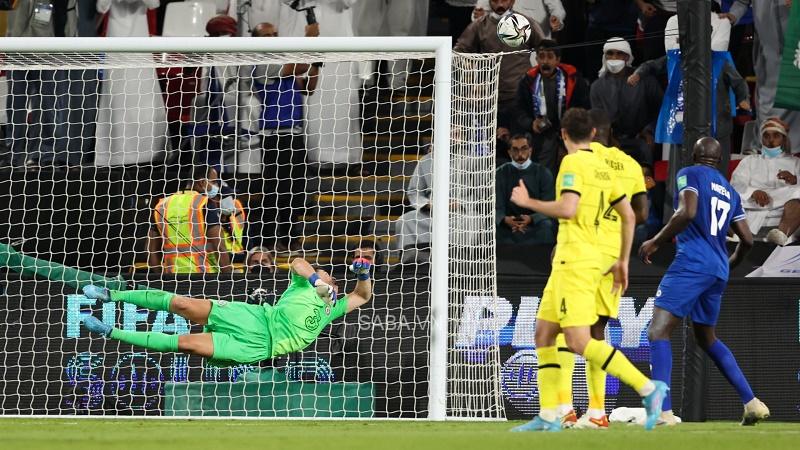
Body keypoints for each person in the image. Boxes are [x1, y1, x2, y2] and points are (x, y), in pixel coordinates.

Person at [508, 108, 667, 432]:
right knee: (546, 332)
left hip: (578, 260)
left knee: (580, 339)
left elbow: (568, 208)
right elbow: (633, 213)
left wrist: (529, 203)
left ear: (564, 134)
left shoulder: (577, 162)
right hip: (599, 255)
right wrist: (622, 259)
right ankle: (555, 412)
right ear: (594, 133)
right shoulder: (614, 165)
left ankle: (647, 389)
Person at [639, 137, 770, 426]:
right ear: (719, 158)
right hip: (716, 268)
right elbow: (747, 240)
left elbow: (687, 211)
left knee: (658, 331)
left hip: (691, 263)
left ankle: (662, 412)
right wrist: (727, 263)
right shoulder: (730, 191)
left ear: (693, 153)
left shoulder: (690, 174)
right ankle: (752, 402)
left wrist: (656, 241)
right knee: (706, 338)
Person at [80, 257, 373, 365]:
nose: (321, 275)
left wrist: (363, 274)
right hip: (254, 317)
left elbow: (362, 295)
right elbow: (298, 262)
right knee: (183, 304)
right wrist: (316, 280)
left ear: (334, 283)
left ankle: (110, 331)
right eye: (321, 274)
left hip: (261, 345)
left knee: (187, 344)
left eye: (326, 276)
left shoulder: (332, 307)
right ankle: (112, 294)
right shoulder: (306, 285)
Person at [554, 109, 649, 428]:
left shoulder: (581, 160)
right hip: (612, 252)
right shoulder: (630, 165)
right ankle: (596, 412)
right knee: (597, 331)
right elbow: (642, 213)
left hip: (581, 248)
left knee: (564, 328)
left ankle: (565, 408)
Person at [244, 21, 320, 251]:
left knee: (296, 189)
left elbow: (308, 87)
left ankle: (289, 238)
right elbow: (298, 67)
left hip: (295, 134)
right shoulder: (262, 63)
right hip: (274, 137)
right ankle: (268, 240)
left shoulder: (284, 61)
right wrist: (312, 40)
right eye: (268, 35)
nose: (274, 37)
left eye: (276, 33)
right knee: (275, 190)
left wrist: (316, 62)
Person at [95, 0, 167, 167]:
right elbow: (101, 6)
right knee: (117, 95)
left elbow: (153, 3)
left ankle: (149, 150)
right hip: (116, 42)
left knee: (143, 92)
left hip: (139, 41)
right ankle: (115, 153)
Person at [455, 0, 545, 129]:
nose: (500, 5)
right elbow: (459, 52)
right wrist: (472, 72)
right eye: (495, 0)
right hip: (488, 99)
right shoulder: (480, 25)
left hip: (520, 96)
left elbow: (546, 48)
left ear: (512, 1)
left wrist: (540, 80)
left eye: (504, 0)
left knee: (521, 141)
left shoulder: (525, 23)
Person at [723, 0, 799, 151]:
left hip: (795, 46)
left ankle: (792, 152)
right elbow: (742, 2)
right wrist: (732, 16)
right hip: (769, 53)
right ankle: (766, 149)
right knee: (768, 101)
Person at [514, 39, 590, 175]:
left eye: (550, 57)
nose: (545, 62)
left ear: (558, 60)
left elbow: (584, 109)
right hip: (542, 136)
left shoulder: (574, 79)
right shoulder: (527, 81)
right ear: (536, 59)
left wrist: (571, 127)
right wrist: (531, 124)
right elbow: (518, 111)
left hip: (570, 133)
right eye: (542, 57)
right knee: (545, 172)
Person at [146, 165, 232, 274]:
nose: (216, 186)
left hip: (173, 280)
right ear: (202, 182)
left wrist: (162, 278)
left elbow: (151, 250)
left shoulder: (162, 205)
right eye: (214, 182)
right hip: (205, 279)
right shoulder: (203, 204)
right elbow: (219, 247)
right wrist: (228, 280)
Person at [590, 38, 662, 164]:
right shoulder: (597, 86)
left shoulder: (645, 80)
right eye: (610, 53)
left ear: (627, 57)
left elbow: (661, 109)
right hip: (610, 142)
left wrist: (649, 131)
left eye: (619, 53)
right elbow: (598, 119)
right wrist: (608, 137)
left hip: (641, 139)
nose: (614, 57)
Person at [730, 118, 800, 245]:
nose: (771, 141)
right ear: (761, 138)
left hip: (783, 205)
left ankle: (781, 235)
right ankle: (737, 233)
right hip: (752, 204)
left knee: (799, 192)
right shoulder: (749, 161)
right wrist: (753, 192)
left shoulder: (795, 162)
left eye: (776, 136)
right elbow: (736, 184)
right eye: (766, 136)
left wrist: (795, 180)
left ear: (783, 139)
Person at [495, 133, 556, 245]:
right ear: (509, 152)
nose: (520, 154)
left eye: (524, 149)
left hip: (535, 224)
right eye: (515, 150)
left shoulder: (543, 173)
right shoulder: (499, 173)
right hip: (508, 225)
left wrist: (531, 219)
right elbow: (497, 206)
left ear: (530, 150)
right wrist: (505, 220)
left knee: (547, 225)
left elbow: (549, 205)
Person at [395, 145, 433, 255]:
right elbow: (414, 191)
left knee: (472, 221)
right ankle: (408, 263)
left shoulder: (472, 159)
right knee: (405, 221)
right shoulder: (426, 160)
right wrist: (426, 204)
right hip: (432, 214)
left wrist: (460, 204)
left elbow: (479, 193)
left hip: (462, 213)